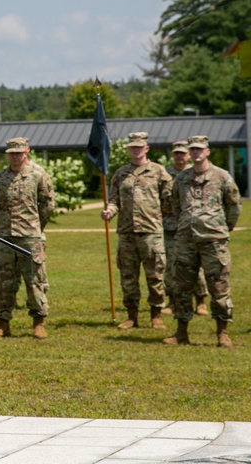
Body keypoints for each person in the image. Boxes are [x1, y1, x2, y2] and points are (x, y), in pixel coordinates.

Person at [163, 136, 242, 348]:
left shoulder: (222, 177)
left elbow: (233, 206)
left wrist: (223, 228)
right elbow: (176, 205)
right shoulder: (181, 179)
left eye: (200, 149)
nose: (196, 153)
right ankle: (181, 333)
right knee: (181, 288)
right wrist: (186, 225)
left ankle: (222, 333)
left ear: (207, 152)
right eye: (193, 150)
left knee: (219, 288)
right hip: (186, 241)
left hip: (213, 242)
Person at [101, 132, 172, 330]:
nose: (136, 150)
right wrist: (109, 211)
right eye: (132, 147)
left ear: (146, 149)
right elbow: (115, 200)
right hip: (127, 233)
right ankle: (132, 316)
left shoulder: (158, 171)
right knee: (128, 277)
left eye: (139, 147)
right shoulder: (121, 173)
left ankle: (156, 315)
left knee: (155, 276)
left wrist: (158, 218)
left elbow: (169, 200)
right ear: (128, 149)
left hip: (151, 233)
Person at [0, 137, 55, 340]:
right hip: (5, 237)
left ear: (27, 152)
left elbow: (47, 204)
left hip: (30, 237)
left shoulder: (38, 175)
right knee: (4, 280)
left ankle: (38, 322)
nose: (15, 156)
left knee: (35, 280)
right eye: (11, 153)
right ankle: (3, 324)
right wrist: (3, 223)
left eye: (19, 152)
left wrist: (35, 226)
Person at [163, 140, 209, 317]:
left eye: (182, 152)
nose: (179, 156)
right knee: (172, 266)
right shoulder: (165, 174)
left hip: (193, 226)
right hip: (170, 227)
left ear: (188, 154)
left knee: (195, 267)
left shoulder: (197, 172)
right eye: (176, 153)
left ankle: (201, 301)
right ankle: (173, 301)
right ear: (172, 154)